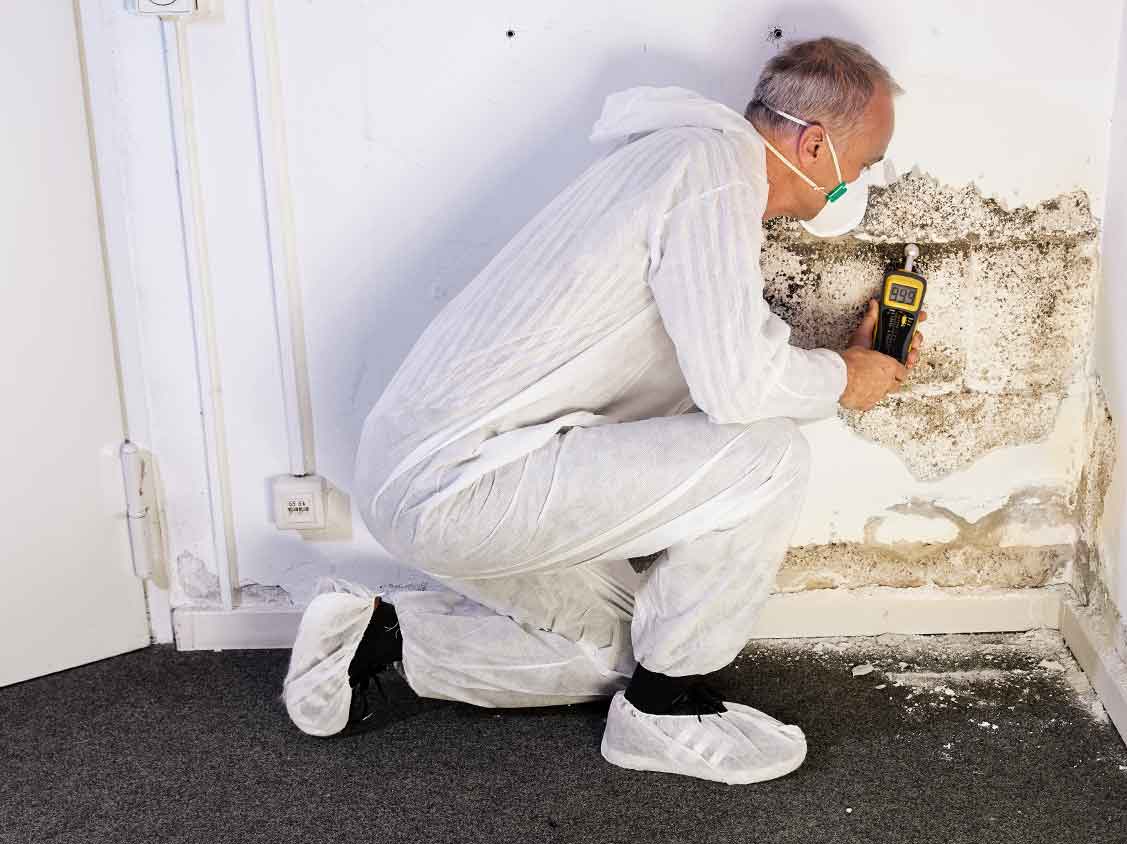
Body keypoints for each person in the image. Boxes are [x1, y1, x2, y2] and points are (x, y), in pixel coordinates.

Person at [282, 37, 922, 785]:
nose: (866, 183)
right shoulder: (713, 174)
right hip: (464, 486)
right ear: (815, 145)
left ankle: (372, 643)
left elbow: (724, 354)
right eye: (867, 163)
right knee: (772, 454)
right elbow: (741, 392)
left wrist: (843, 360)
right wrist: (845, 381)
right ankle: (665, 714)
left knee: (620, 649)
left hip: (445, 476)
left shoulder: (690, 172)